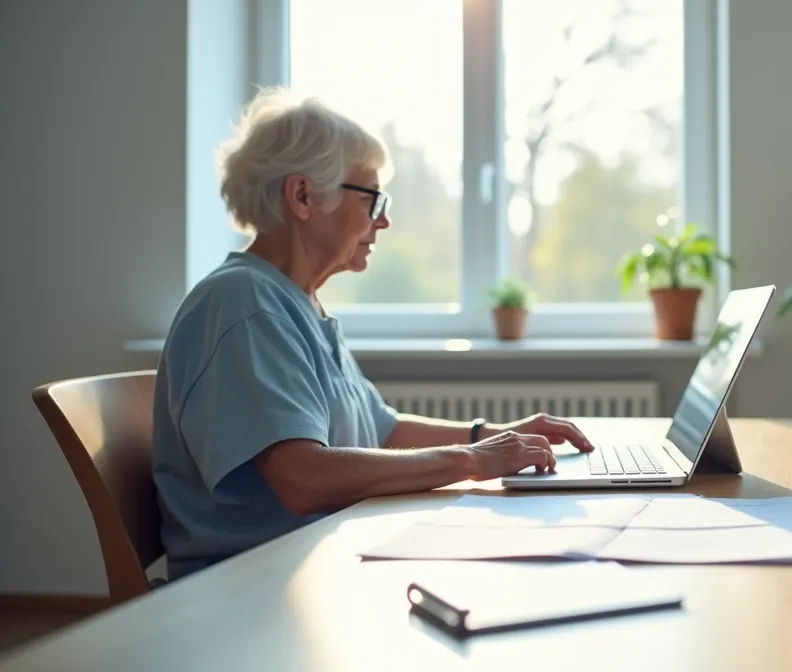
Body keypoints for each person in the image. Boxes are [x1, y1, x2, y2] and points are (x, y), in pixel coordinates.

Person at [151, 88, 594, 581]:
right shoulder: (243, 304)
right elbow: (305, 479)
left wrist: (495, 436)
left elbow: (383, 431)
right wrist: (472, 459)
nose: (384, 220)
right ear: (302, 196)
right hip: (254, 587)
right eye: (371, 198)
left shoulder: (295, 301)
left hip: (316, 566)